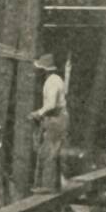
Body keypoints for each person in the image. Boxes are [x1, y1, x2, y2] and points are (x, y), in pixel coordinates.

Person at [29, 53, 69, 192]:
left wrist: (38, 113)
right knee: (55, 151)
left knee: (47, 151)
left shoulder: (51, 81)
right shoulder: (57, 79)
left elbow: (51, 104)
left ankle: (47, 186)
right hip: (59, 118)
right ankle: (55, 185)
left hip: (55, 119)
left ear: (44, 70)